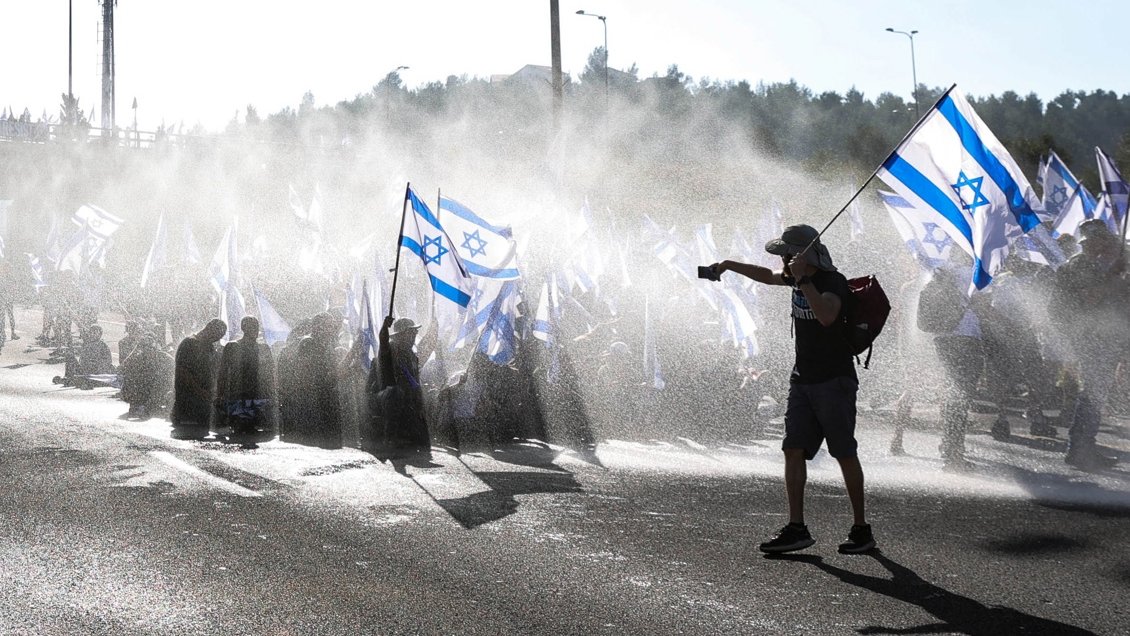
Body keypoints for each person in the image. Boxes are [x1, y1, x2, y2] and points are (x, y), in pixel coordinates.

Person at [710, 223, 875, 554]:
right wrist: (729, 265)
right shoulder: (791, 275)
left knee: (844, 452)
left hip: (834, 380)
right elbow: (766, 275)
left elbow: (827, 316)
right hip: (802, 379)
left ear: (805, 255)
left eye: (787, 254)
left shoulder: (832, 282)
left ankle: (861, 529)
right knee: (793, 448)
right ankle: (797, 528)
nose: (783, 261)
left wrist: (803, 280)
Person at [1050, 219, 1128, 470]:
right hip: (1090, 338)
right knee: (1093, 393)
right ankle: (1080, 449)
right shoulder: (1080, 266)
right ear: (1091, 242)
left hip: (1102, 337)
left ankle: (1083, 446)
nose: (1106, 244)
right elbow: (1091, 298)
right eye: (1102, 240)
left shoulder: (1095, 266)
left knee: (1095, 393)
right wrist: (1112, 276)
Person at [366, 316, 431, 457]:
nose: (414, 336)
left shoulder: (413, 357)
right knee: (394, 392)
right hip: (384, 396)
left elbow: (415, 382)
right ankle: (390, 439)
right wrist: (385, 326)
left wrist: (419, 403)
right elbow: (383, 340)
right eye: (410, 333)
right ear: (401, 335)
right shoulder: (391, 349)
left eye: (415, 333)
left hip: (407, 397)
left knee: (423, 443)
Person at [214, 316, 277, 444]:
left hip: (259, 397)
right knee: (241, 431)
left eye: (256, 326)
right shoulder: (233, 346)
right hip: (238, 397)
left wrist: (273, 394)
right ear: (243, 328)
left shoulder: (264, 348)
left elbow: (271, 374)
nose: (254, 329)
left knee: (257, 430)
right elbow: (223, 373)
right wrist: (220, 395)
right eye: (251, 326)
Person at [170, 319, 226, 440]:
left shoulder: (210, 347)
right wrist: (200, 391)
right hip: (188, 404)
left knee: (202, 434)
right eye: (217, 336)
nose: (217, 339)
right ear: (209, 329)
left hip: (203, 405)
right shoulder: (189, 343)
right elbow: (182, 372)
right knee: (190, 437)